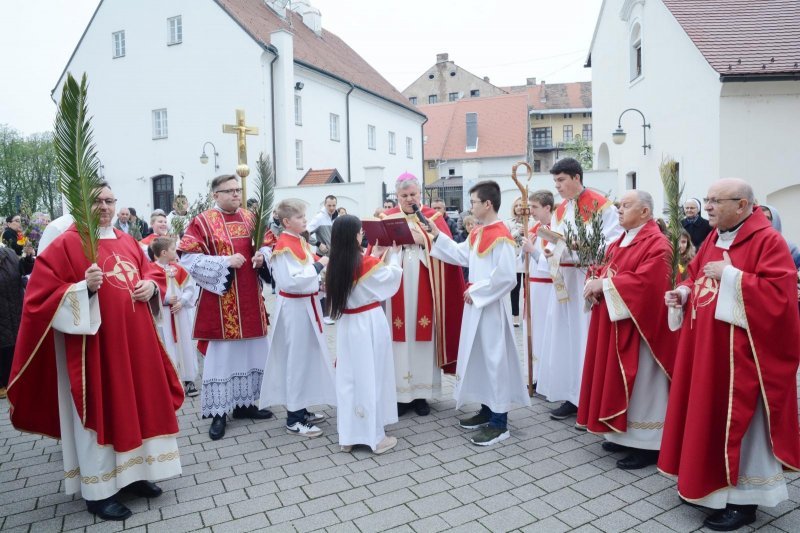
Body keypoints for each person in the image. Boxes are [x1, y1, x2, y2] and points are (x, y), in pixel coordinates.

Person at [8, 182, 183, 521]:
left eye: (109, 200)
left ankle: (135, 475)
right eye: (97, 201)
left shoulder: (127, 240)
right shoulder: (66, 245)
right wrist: (81, 289)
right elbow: (38, 299)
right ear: (81, 204)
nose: (104, 207)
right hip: (95, 351)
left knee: (138, 405)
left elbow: (149, 273)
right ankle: (99, 491)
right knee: (104, 410)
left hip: (135, 347)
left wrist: (151, 285)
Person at [661, 179, 800, 531]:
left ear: (741, 205)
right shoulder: (714, 236)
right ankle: (707, 487)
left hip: (743, 359)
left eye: (715, 201)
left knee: (740, 424)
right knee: (705, 414)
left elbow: (780, 299)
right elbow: (697, 277)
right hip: (707, 348)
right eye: (706, 200)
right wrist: (681, 292)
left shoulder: (768, 240)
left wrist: (733, 276)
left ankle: (745, 500)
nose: (707, 206)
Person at [577, 191, 678, 469]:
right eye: (619, 205)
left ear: (645, 212)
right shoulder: (620, 241)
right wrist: (595, 280)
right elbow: (611, 270)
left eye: (626, 205)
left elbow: (649, 282)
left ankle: (648, 444)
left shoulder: (659, 243)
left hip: (643, 331)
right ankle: (622, 433)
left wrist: (606, 286)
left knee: (644, 384)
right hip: (618, 324)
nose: (619, 210)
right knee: (619, 379)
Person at [425, 180, 530, 446]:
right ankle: (486, 409)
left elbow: (507, 278)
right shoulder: (479, 232)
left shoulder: (501, 235)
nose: (469, 207)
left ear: (487, 204)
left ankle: (500, 423)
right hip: (477, 307)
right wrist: (437, 235)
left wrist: (478, 291)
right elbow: (460, 256)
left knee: (494, 361)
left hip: (491, 308)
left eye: (473, 202)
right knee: (480, 358)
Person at [178, 174, 273, 441]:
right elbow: (187, 258)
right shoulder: (203, 221)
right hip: (221, 302)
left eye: (237, 189)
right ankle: (218, 413)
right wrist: (223, 262)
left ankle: (247, 405)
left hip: (251, 300)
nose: (235, 194)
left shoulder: (250, 217)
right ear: (215, 195)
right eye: (229, 190)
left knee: (253, 351)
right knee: (222, 358)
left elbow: (269, 245)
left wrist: (261, 256)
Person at [538, 158, 623, 421]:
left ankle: (586, 395)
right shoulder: (561, 209)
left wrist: (577, 246)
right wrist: (550, 248)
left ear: (576, 177)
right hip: (563, 279)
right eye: (555, 182)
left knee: (583, 337)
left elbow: (611, 244)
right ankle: (569, 393)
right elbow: (555, 238)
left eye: (561, 180)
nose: (558, 187)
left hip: (586, 279)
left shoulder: (601, 205)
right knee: (564, 337)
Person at [380, 172, 465, 417]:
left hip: (425, 283)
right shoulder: (386, 217)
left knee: (422, 335)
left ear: (420, 194)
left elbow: (449, 252)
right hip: (395, 285)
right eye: (404, 195)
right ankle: (400, 395)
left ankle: (421, 395)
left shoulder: (433, 218)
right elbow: (375, 250)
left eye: (413, 194)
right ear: (397, 196)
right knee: (398, 337)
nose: (409, 199)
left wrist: (423, 240)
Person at [326, 215, 403, 454]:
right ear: (355, 235)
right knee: (372, 377)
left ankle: (348, 437)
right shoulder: (365, 264)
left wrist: (375, 254)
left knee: (349, 380)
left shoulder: (334, 264)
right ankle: (375, 437)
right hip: (368, 323)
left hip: (348, 325)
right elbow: (389, 280)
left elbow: (364, 275)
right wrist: (395, 256)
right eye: (360, 231)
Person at [260, 199, 335, 438]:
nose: (305, 219)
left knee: (307, 358)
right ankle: (293, 417)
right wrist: (320, 266)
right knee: (296, 360)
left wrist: (322, 282)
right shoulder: (283, 246)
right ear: (286, 222)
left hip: (307, 306)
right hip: (295, 309)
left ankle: (302, 408)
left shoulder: (299, 241)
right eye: (300, 217)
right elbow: (291, 281)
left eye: (305, 216)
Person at [150, 237, 199, 397]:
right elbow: (150, 293)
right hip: (163, 317)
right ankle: (171, 381)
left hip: (180, 314)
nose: (175, 251)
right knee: (167, 345)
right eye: (173, 249)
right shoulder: (150, 271)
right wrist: (164, 300)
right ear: (164, 252)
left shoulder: (179, 268)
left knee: (184, 344)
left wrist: (183, 300)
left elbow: (190, 287)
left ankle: (188, 379)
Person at [518, 190, 555, 389]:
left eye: (534, 207)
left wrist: (532, 252)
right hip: (532, 287)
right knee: (532, 334)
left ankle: (547, 378)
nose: (530, 211)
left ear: (547, 207)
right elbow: (519, 262)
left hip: (548, 290)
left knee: (546, 334)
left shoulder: (555, 230)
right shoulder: (532, 230)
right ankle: (534, 376)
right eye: (530, 206)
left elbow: (554, 263)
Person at [308, 195, 338, 324]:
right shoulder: (319, 217)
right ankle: (324, 315)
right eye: (329, 205)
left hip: (335, 256)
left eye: (333, 205)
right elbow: (304, 232)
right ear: (325, 205)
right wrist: (318, 243)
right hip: (323, 257)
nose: (331, 208)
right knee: (324, 286)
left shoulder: (336, 217)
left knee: (333, 285)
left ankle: (332, 312)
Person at [0, 245, 24, 399]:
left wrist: (28, 260)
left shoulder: (8, 252)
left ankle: (13, 381)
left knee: (13, 347)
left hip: (14, 308)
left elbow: (22, 272)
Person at [505, 197, 529, 327]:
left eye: (521, 205)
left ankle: (527, 313)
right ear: (513, 208)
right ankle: (515, 316)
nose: (519, 207)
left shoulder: (531, 222)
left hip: (527, 258)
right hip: (514, 258)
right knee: (515, 288)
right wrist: (516, 232)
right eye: (517, 205)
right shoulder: (508, 223)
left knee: (528, 288)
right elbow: (505, 238)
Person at [760, 204, 800, 269]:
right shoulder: (750, 245)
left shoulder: (790, 248)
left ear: (775, 221)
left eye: (767, 218)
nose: (762, 221)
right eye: (760, 217)